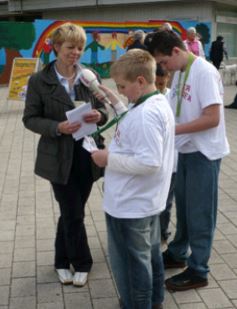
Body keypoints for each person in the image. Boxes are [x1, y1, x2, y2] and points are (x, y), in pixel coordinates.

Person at [22, 23, 108, 287]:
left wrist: (99, 115)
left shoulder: (89, 76)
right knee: (73, 212)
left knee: (73, 211)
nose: (76, 53)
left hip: (87, 153)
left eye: (80, 48)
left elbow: (104, 109)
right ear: (56, 47)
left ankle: (61, 260)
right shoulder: (39, 80)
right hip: (57, 155)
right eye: (70, 47)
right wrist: (57, 127)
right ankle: (82, 263)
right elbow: (30, 119)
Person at [91, 49, 175, 309]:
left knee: (132, 264)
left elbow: (150, 162)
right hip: (146, 200)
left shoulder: (145, 115)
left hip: (131, 205)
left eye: (123, 86)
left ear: (140, 81)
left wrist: (108, 159)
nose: (122, 91)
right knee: (150, 256)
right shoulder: (153, 102)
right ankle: (154, 301)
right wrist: (116, 101)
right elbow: (132, 117)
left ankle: (137, 304)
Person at [147, 29, 230, 292]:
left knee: (200, 213)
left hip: (204, 153)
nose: (163, 69)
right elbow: (173, 106)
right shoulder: (179, 71)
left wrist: (173, 131)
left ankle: (198, 269)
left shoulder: (204, 72)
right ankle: (178, 252)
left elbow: (212, 118)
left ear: (175, 51)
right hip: (184, 151)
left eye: (162, 62)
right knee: (183, 208)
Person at [155, 64, 177, 242]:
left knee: (167, 200)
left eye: (161, 84)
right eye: (155, 84)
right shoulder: (143, 98)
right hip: (154, 159)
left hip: (171, 160)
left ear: (168, 78)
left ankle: (162, 231)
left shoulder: (172, 97)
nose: (158, 88)